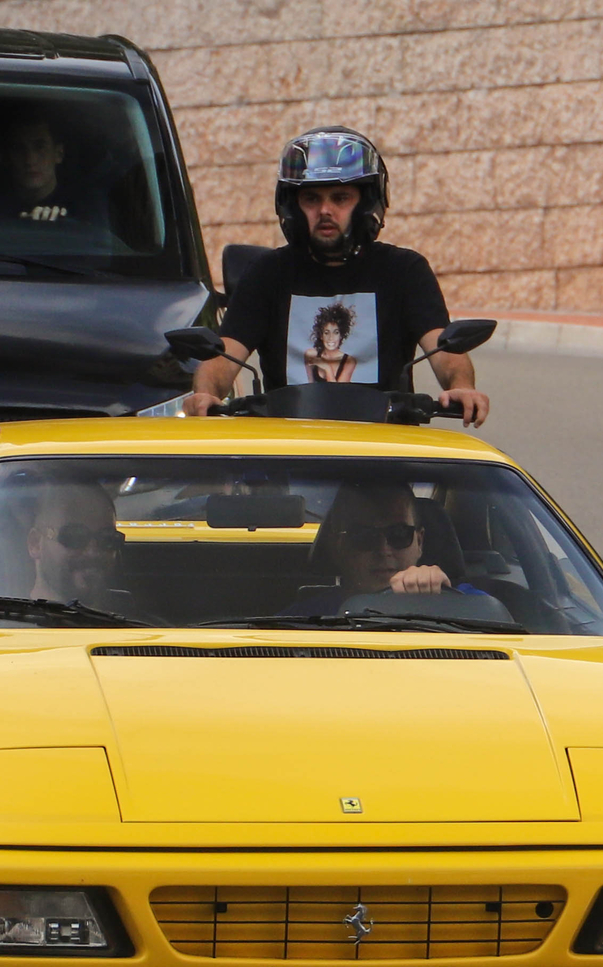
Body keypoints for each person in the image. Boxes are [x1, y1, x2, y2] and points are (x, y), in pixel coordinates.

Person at [183, 127, 489, 426]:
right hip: (284, 448)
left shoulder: (404, 270)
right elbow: (224, 355)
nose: (325, 210)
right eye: (312, 199)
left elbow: (444, 348)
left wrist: (460, 385)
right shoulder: (267, 273)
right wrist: (206, 393)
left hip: (386, 449)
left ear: (367, 203)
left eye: (340, 198)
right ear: (292, 206)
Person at [284, 482, 488, 616]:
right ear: (340, 545)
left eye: (399, 534)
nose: (383, 549)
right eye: (364, 536)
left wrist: (439, 598)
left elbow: (500, 623)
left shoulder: (460, 601)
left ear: (420, 542)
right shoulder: (304, 619)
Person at [0, 96, 91, 227]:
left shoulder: (85, 206)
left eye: (39, 147)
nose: (29, 160)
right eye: (18, 148)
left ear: (58, 153)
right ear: (6, 157)